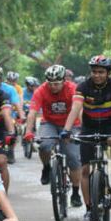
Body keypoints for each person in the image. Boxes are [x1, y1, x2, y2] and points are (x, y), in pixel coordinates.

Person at [60, 55, 111, 221]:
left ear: (108, 73)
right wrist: (66, 130)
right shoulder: (83, 87)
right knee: (85, 170)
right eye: (94, 72)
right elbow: (75, 108)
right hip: (89, 127)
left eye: (101, 72)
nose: (97, 75)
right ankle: (88, 210)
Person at [23, 65, 83, 207]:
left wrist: (83, 128)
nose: (53, 86)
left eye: (56, 83)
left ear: (64, 81)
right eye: (50, 83)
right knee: (44, 145)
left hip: (72, 124)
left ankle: (75, 192)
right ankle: (46, 167)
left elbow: (79, 109)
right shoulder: (41, 90)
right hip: (49, 123)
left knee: (73, 158)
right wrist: (28, 132)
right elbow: (32, 112)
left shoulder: (73, 89)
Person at [0, 65, 25, 164]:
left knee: (13, 132)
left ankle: (10, 150)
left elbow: (16, 102)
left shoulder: (10, 89)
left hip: (9, 116)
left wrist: (21, 114)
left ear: (0, 79)